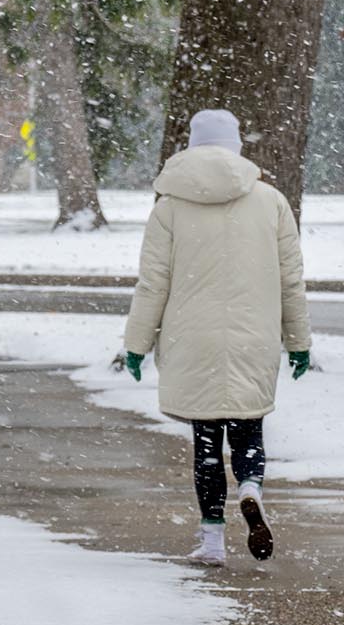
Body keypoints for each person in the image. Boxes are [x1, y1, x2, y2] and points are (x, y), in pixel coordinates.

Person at [122, 108, 310, 566]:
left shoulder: (168, 207)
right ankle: (250, 487)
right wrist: (299, 341)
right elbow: (291, 281)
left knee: (206, 442)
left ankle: (211, 543)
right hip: (254, 337)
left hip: (193, 340)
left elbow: (153, 283)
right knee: (249, 429)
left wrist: (136, 344)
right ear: (237, 147)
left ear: (190, 146)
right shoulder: (271, 201)